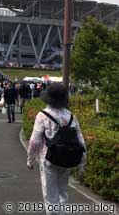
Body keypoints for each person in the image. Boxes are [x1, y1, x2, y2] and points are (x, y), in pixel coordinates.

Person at [27, 83, 86, 215]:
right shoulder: (70, 116)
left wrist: (30, 159)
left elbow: (34, 141)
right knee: (63, 192)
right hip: (68, 159)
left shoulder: (43, 115)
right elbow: (80, 140)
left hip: (48, 159)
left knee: (50, 195)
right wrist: (82, 163)